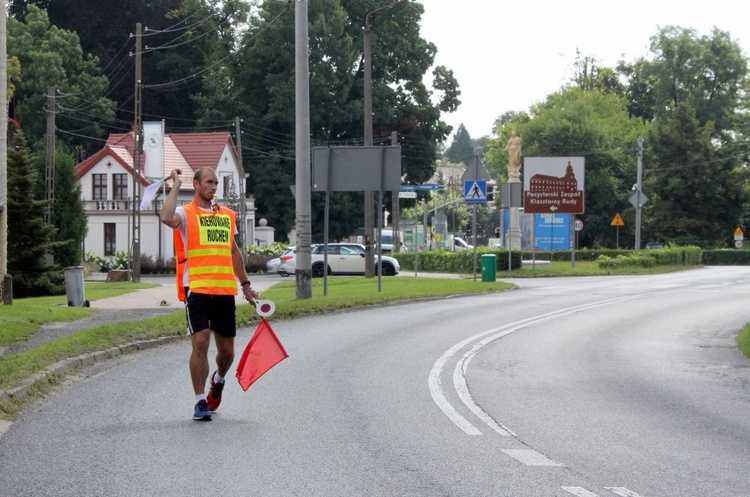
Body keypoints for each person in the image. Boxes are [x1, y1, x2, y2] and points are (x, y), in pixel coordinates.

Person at [160, 167, 258, 421]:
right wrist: (175, 185)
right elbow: (165, 217)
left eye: (216, 183)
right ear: (196, 184)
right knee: (201, 341)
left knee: (227, 352)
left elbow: (234, 252)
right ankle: (199, 400)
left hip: (225, 290)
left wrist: (246, 285)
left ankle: (219, 379)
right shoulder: (185, 212)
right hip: (198, 290)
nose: (214, 187)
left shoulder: (226, 215)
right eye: (209, 182)